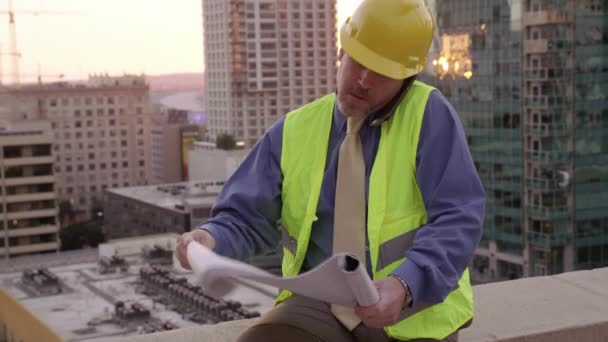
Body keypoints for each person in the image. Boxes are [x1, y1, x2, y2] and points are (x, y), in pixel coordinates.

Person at [176, 0, 485, 341]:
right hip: (322, 306)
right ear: (341, 53)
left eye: (382, 72)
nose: (365, 80)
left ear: (406, 79)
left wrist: (406, 284)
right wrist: (210, 238)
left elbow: (458, 217)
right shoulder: (295, 130)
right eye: (359, 61)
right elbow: (246, 216)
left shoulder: (429, 116)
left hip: (412, 309)